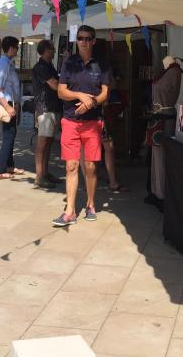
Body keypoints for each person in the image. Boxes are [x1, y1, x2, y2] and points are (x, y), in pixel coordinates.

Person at [53, 25, 110, 226]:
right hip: (70, 120)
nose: (84, 42)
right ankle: (70, 211)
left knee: (90, 166)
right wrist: (79, 96)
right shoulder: (69, 63)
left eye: (88, 38)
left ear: (94, 41)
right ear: (76, 40)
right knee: (71, 165)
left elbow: (104, 93)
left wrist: (91, 103)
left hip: (93, 122)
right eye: (81, 38)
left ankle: (91, 204)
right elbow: (61, 91)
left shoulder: (101, 64)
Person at [0, 35, 23, 180]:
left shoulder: (8, 63)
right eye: (17, 47)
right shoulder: (3, 64)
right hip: (6, 102)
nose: (18, 49)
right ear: (11, 48)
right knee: (8, 136)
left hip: (10, 102)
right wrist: (7, 106)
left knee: (11, 134)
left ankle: (9, 166)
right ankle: (0, 169)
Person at [32, 39, 61, 188]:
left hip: (52, 107)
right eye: (51, 49)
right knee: (42, 142)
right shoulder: (41, 67)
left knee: (49, 141)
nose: (54, 51)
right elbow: (55, 85)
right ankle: (39, 176)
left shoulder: (49, 66)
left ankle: (45, 172)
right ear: (44, 50)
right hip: (45, 108)